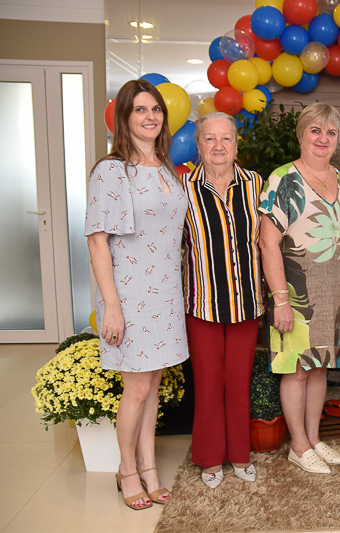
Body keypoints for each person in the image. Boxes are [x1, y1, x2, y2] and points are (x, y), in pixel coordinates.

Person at [85, 79, 188, 510]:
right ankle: (127, 470)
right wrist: (112, 306)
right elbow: (97, 241)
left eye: (156, 109)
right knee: (138, 388)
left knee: (153, 384)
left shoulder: (165, 166)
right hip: (128, 293)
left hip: (165, 292)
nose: (150, 117)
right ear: (124, 118)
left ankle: (148, 467)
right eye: (140, 110)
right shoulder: (112, 170)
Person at [258, 103, 340, 475]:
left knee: (319, 368)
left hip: (332, 293)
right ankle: (298, 445)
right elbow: (267, 243)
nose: (323, 138)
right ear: (301, 135)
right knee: (295, 369)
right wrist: (280, 299)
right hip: (294, 293)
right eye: (315, 130)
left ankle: (313, 438)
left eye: (330, 132)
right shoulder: (283, 179)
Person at [183, 112, 265, 488]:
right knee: (208, 382)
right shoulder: (182, 188)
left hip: (246, 302)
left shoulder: (256, 184)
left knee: (238, 381)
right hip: (202, 304)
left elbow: (267, 242)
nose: (218, 146)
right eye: (210, 138)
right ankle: (210, 459)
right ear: (198, 144)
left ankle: (240, 455)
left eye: (226, 138)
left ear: (236, 143)